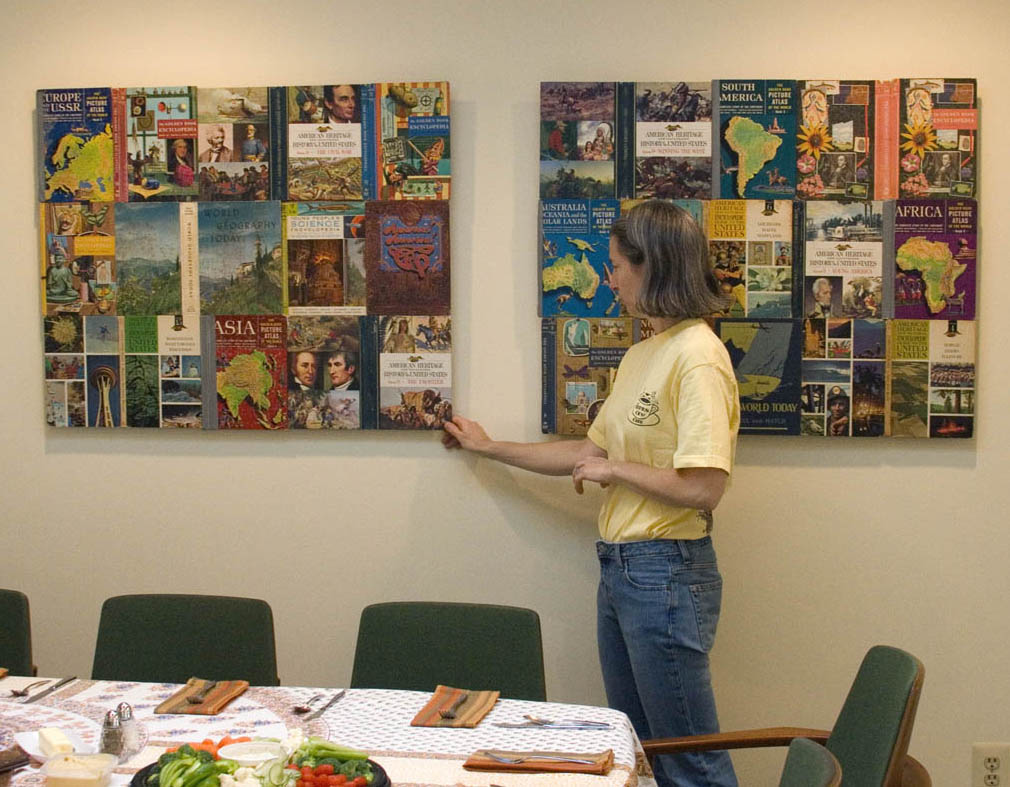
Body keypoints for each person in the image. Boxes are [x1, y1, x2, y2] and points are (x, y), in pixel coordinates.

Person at [443, 200, 740, 787]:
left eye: (615, 267)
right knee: (637, 750)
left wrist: (620, 472)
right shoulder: (643, 353)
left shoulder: (699, 356)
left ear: (651, 265)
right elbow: (588, 455)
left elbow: (706, 486)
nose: (609, 280)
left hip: (666, 570)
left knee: (689, 757)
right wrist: (490, 447)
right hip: (623, 569)